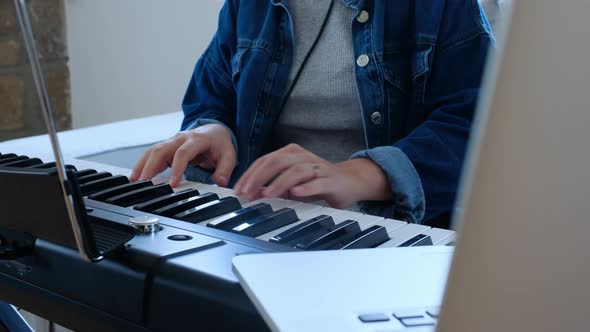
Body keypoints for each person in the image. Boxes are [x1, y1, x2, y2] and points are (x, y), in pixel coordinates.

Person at [131, 0, 494, 228]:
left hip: (386, 235)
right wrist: (212, 129)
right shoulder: (247, 5)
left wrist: (364, 174)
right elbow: (213, 92)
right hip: (260, 226)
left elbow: (482, 124)